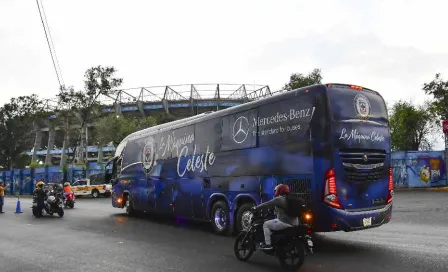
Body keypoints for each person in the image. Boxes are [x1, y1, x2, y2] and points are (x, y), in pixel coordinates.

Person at [251, 184, 299, 250]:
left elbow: (267, 204)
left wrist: (256, 208)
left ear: (279, 190)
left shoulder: (278, 199)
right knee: (275, 221)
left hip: (285, 223)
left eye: (276, 190)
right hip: (295, 223)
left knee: (266, 224)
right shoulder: (290, 199)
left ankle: (268, 244)